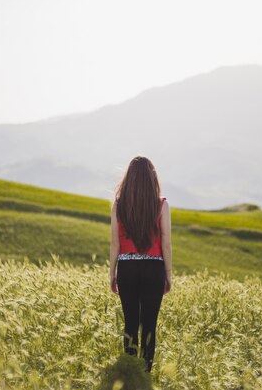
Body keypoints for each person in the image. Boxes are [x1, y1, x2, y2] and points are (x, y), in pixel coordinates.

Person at [109, 156, 172, 373]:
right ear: (152, 179)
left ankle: (129, 372)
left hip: (127, 268)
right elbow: (166, 243)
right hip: (154, 269)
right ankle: (145, 372)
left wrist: (112, 274)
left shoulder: (119, 205)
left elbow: (115, 243)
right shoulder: (161, 205)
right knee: (149, 326)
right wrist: (168, 274)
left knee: (130, 324)